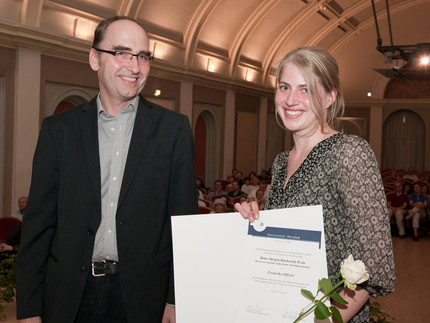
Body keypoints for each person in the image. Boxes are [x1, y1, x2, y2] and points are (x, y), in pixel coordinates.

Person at [16, 16, 197, 323]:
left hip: (143, 296)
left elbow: (182, 222)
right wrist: (30, 309)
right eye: (122, 53)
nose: (135, 66)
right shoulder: (58, 130)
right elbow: (38, 225)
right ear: (94, 58)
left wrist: (176, 299)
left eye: (143, 56)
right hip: (70, 294)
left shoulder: (173, 130)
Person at [235, 47, 395, 322]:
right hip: (282, 312)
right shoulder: (282, 161)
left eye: (306, 89)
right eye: (284, 87)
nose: (291, 99)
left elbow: (373, 261)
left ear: (330, 97)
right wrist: (254, 221)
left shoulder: (350, 152)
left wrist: (324, 320)